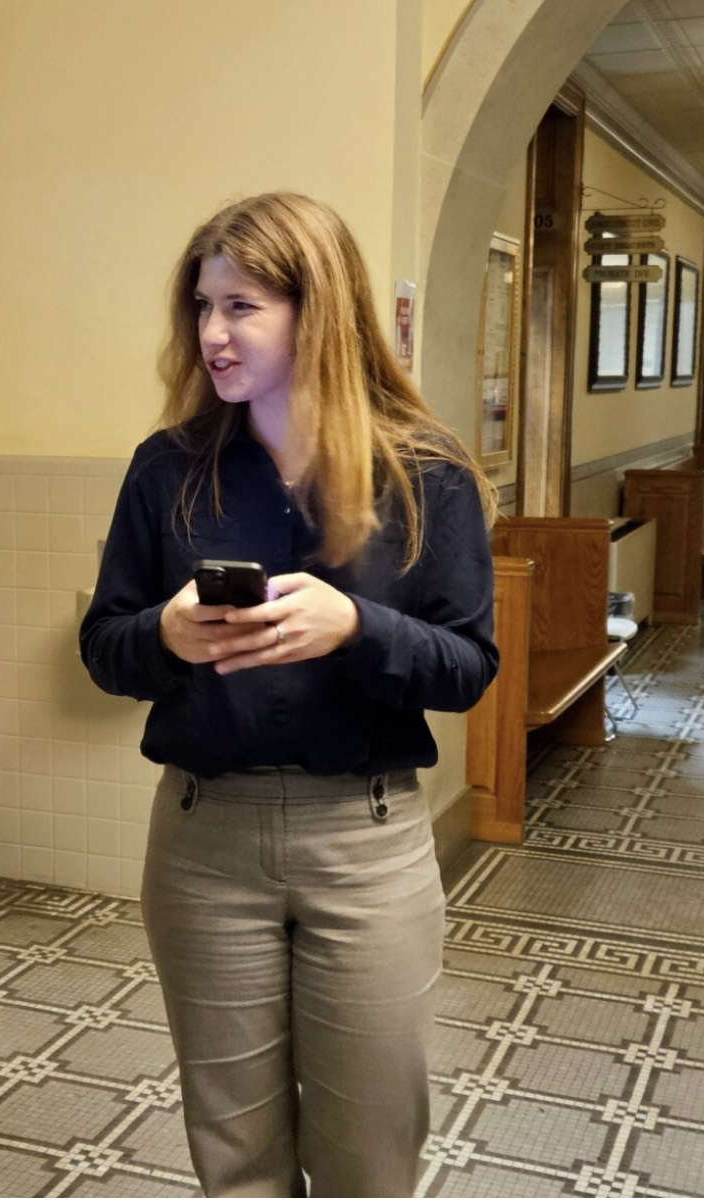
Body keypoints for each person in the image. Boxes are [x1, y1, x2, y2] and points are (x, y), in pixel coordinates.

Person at [79, 192, 498, 1196]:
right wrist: (165, 634)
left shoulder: (424, 472)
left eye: (242, 307)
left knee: (370, 1149)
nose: (212, 333)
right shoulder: (168, 469)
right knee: (236, 1155)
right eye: (203, 305)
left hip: (365, 840)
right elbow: (104, 647)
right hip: (204, 841)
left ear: (321, 313)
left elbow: (468, 668)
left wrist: (357, 627)